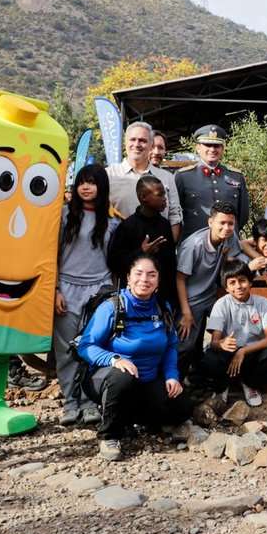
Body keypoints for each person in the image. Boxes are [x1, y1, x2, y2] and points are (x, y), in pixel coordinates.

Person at [76, 254, 188, 461]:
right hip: (108, 378)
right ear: (128, 277)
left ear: (158, 280)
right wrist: (115, 359)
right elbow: (85, 346)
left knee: (179, 407)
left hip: (147, 379)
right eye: (138, 274)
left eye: (151, 275)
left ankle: (131, 418)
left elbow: (171, 346)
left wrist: (172, 376)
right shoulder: (112, 307)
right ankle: (109, 435)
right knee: (122, 377)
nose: (144, 279)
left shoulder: (163, 307)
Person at [53, 164, 117, 426]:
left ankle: (91, 402)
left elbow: (117, 261)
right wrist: (55, 289)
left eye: (92, 182)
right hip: (67, 290)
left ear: (101, 187)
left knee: (94, 347)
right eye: (82, 182)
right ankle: (70, 402)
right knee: (66, 349)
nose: (86, 187)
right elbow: (51, 256)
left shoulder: (113, 221)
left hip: (99, 291)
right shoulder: (64, 216)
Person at [203, 259, 267, 406]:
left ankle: (250, 384)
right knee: (210, 358)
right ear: (226, 287)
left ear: (250, 282)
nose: (238, 286)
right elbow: (214, 342)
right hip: (229, 353)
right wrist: (222, 344)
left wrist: (243, 351)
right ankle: (222, 387)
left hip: (251, 353)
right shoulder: (221, 304)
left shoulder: (262, 303)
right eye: (232, 283)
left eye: (242, 281)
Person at [175, 201, 242, 376]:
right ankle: (174, 384)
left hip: (212, 295)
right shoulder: (194, 245)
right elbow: (180, 279)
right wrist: (186, 313)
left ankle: (209, 378)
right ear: (210, 222)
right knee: (186, 345)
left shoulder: (230, 237)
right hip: (190, 300)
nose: (227, 228)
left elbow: (231, 264)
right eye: (222, 223)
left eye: (230, 223)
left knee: (234, 330)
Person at [107, 176, 178, 309]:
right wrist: (142, 253)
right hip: (133, 299)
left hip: (161, 299)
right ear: (143, 197)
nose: (165, 198)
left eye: (165, 194)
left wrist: (172, 301)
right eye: (160, 194)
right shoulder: (127, 226)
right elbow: (114, 262)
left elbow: (171, 265)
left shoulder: (165, 225)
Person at [107, 121, 183, 241]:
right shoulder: (109, 175)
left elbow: (174, 215)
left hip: (158, 249)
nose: (137, 144)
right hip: (119, 250)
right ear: (125, 143)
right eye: (133, 139)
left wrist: (169, 246)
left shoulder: (166, 177)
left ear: (150, 145)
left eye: (143, 140)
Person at [175, 124, 248, 240]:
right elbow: (175, 214)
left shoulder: (236, 176)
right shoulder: (183, 176)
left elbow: (243, 214)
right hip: (195, 243)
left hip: (228, 244)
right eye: (207, 145)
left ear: (223, 149)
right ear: (198, 148)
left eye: (217, 146)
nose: (212, 150)